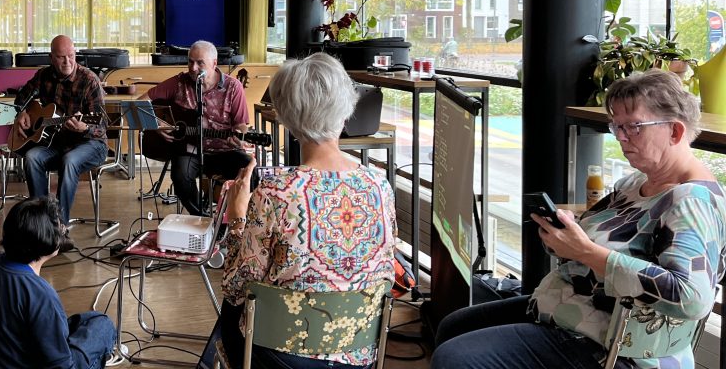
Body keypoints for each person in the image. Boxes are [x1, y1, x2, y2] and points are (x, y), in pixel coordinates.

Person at [432, 69, 726, 369]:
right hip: (573, 311)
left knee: (455, 358)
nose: (622, 138)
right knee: (453, 325)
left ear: (675, 132)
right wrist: (566, 236)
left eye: (634, 126)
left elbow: (691, 297)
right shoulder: (634, 183)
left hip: (614, 345)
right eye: (617, 127)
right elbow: (590, 242)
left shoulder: (691, 203)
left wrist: (586, 251)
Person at [207, 53, 396, 369]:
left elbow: (237, 283)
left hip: (283, 353)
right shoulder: (379, 184)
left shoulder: (276, 191)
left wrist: (238, 215)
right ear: (347, 106)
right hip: (360, 353)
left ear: (284, 115)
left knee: (232, 307)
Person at [0, 197, 117, 369]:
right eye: (58, 225)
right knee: (103, 326)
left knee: (88, 320)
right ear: (44, 239)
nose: (63, 228)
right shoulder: (39, 293)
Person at [141, 40, 252, 215]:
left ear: (214, 64)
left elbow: (241, 125)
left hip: (224, 150)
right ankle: (202, 219)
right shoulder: (179, 82)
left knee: (251, 172)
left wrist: (241, 136)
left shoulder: (233, 87)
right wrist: (156, 125)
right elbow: (140, 103)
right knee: (180, 178)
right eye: (190, 61)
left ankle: (231, 218)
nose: (193, 68)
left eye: (200, 63)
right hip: (189, 149)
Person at [14, 35, 108, 227]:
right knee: (32, 157)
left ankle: (59, 226)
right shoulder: (43, 75)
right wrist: (21, 113)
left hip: (90, 144)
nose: (67, 62)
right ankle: (41, 222)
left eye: (71, 56)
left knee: (70, 160)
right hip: (56, 142)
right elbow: (21, 97)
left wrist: (85, 127)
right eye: (61, 57)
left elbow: (102, 125)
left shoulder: (89, 80)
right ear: (51, 58)